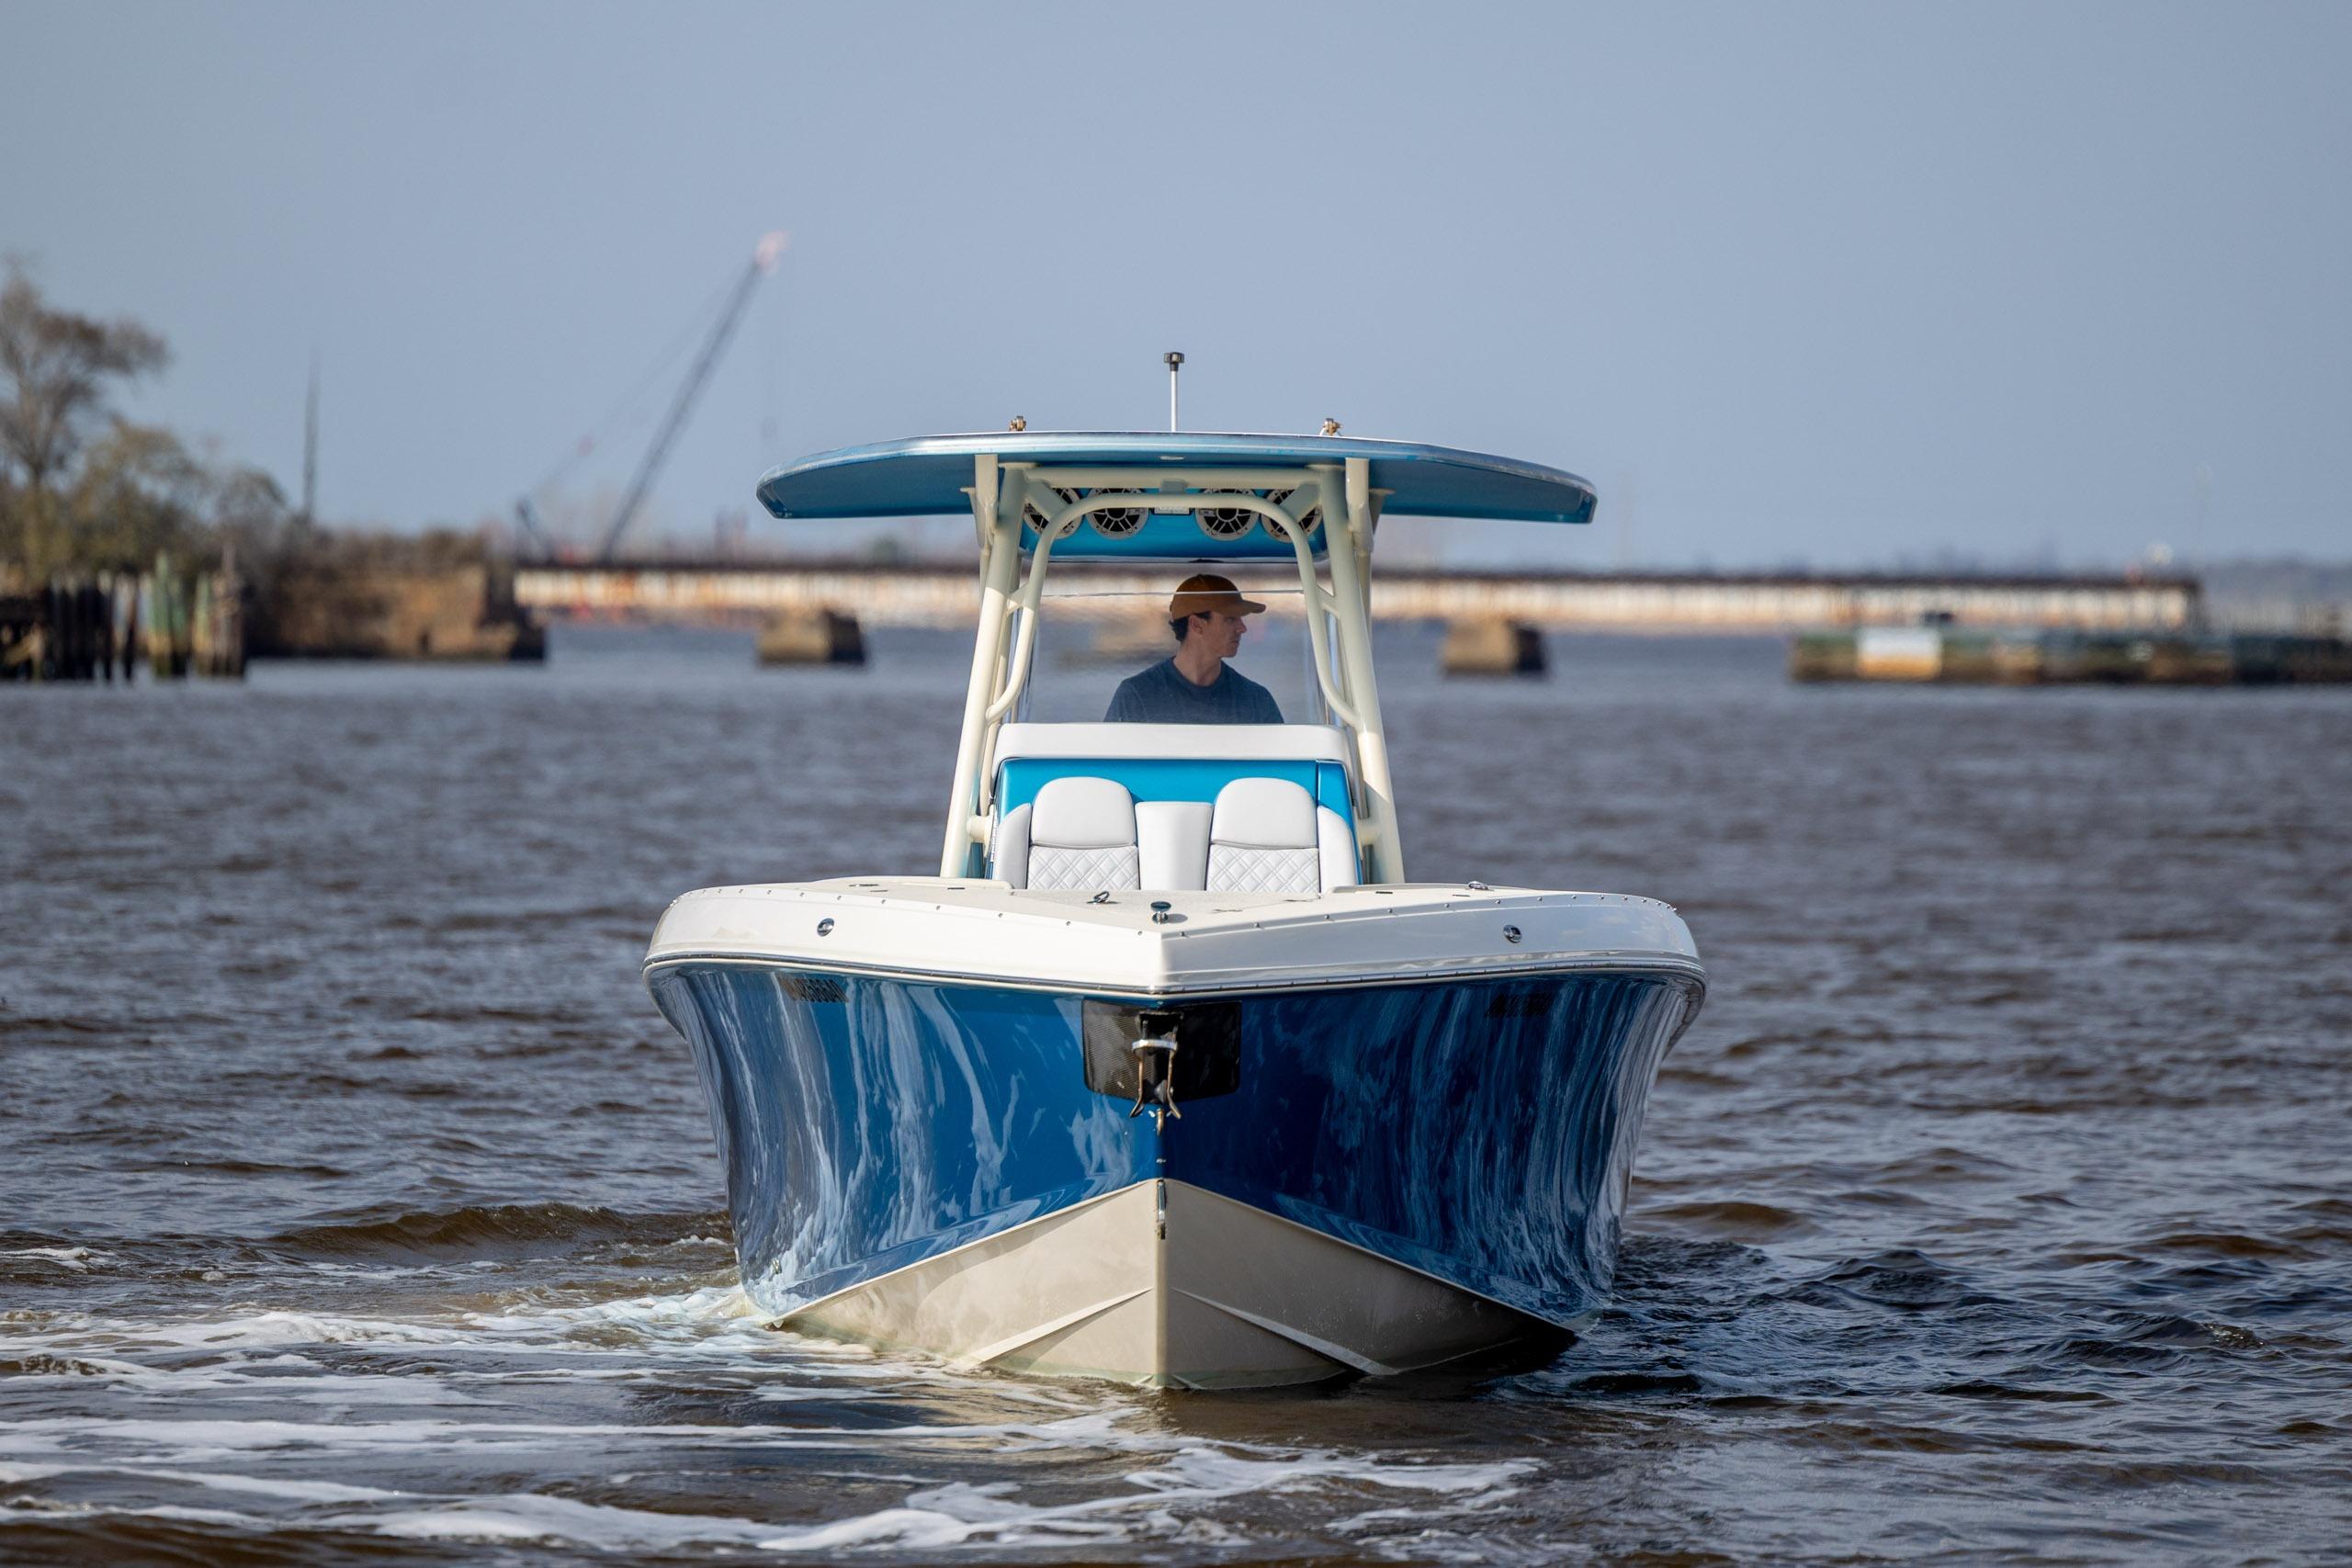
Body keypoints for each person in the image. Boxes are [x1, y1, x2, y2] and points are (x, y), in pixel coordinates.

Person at [1104, 573, 1284, 724]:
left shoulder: (1256, 700)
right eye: (1230, 619)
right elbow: (1110, 765)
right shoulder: (1135, 697)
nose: (1243, 628)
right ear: (1196, 624)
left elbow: (1280, 765)